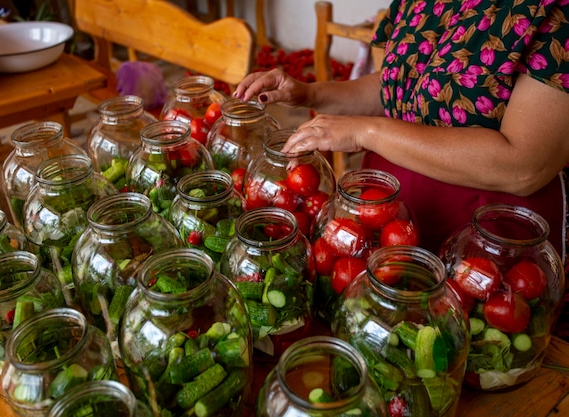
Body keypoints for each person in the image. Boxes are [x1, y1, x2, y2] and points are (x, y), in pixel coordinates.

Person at [233, 0, 569, 263]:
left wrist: (366, 132)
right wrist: (308, 93)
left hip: (485, 236)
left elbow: (524, 165)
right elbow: (398, 86)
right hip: (387, 216)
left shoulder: (554, 12)